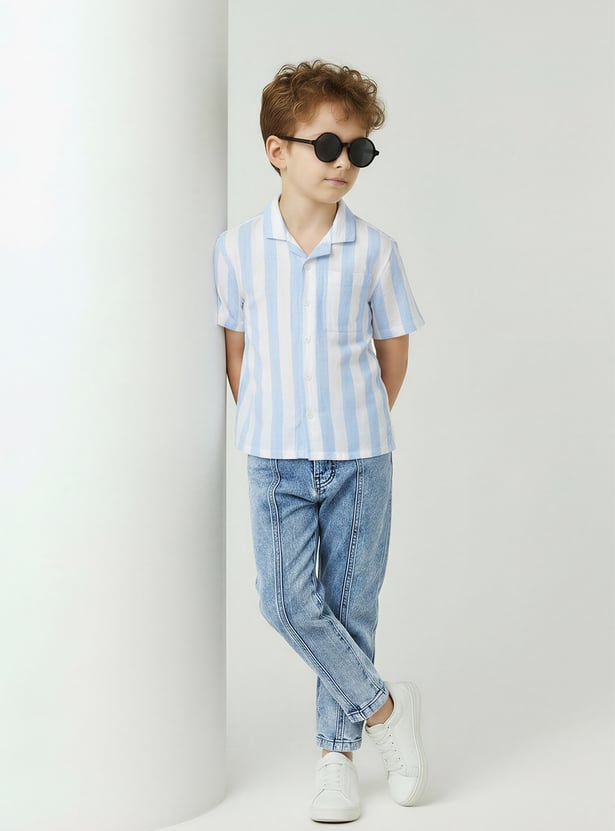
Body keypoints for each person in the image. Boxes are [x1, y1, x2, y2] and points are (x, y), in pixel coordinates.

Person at [214, 59, 426, 823]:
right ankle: (385, 708)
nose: (343, 163)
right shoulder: (237, 250)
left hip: (360, 455)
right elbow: (236, 352)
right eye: (328, 146)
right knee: (284, 600)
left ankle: (336, 756)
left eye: (358, 150)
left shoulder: (375, 250)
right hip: (273, 456)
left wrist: (353, 420)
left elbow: (391, 352)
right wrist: (275, 421)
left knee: (347, 604)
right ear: (278, 150)